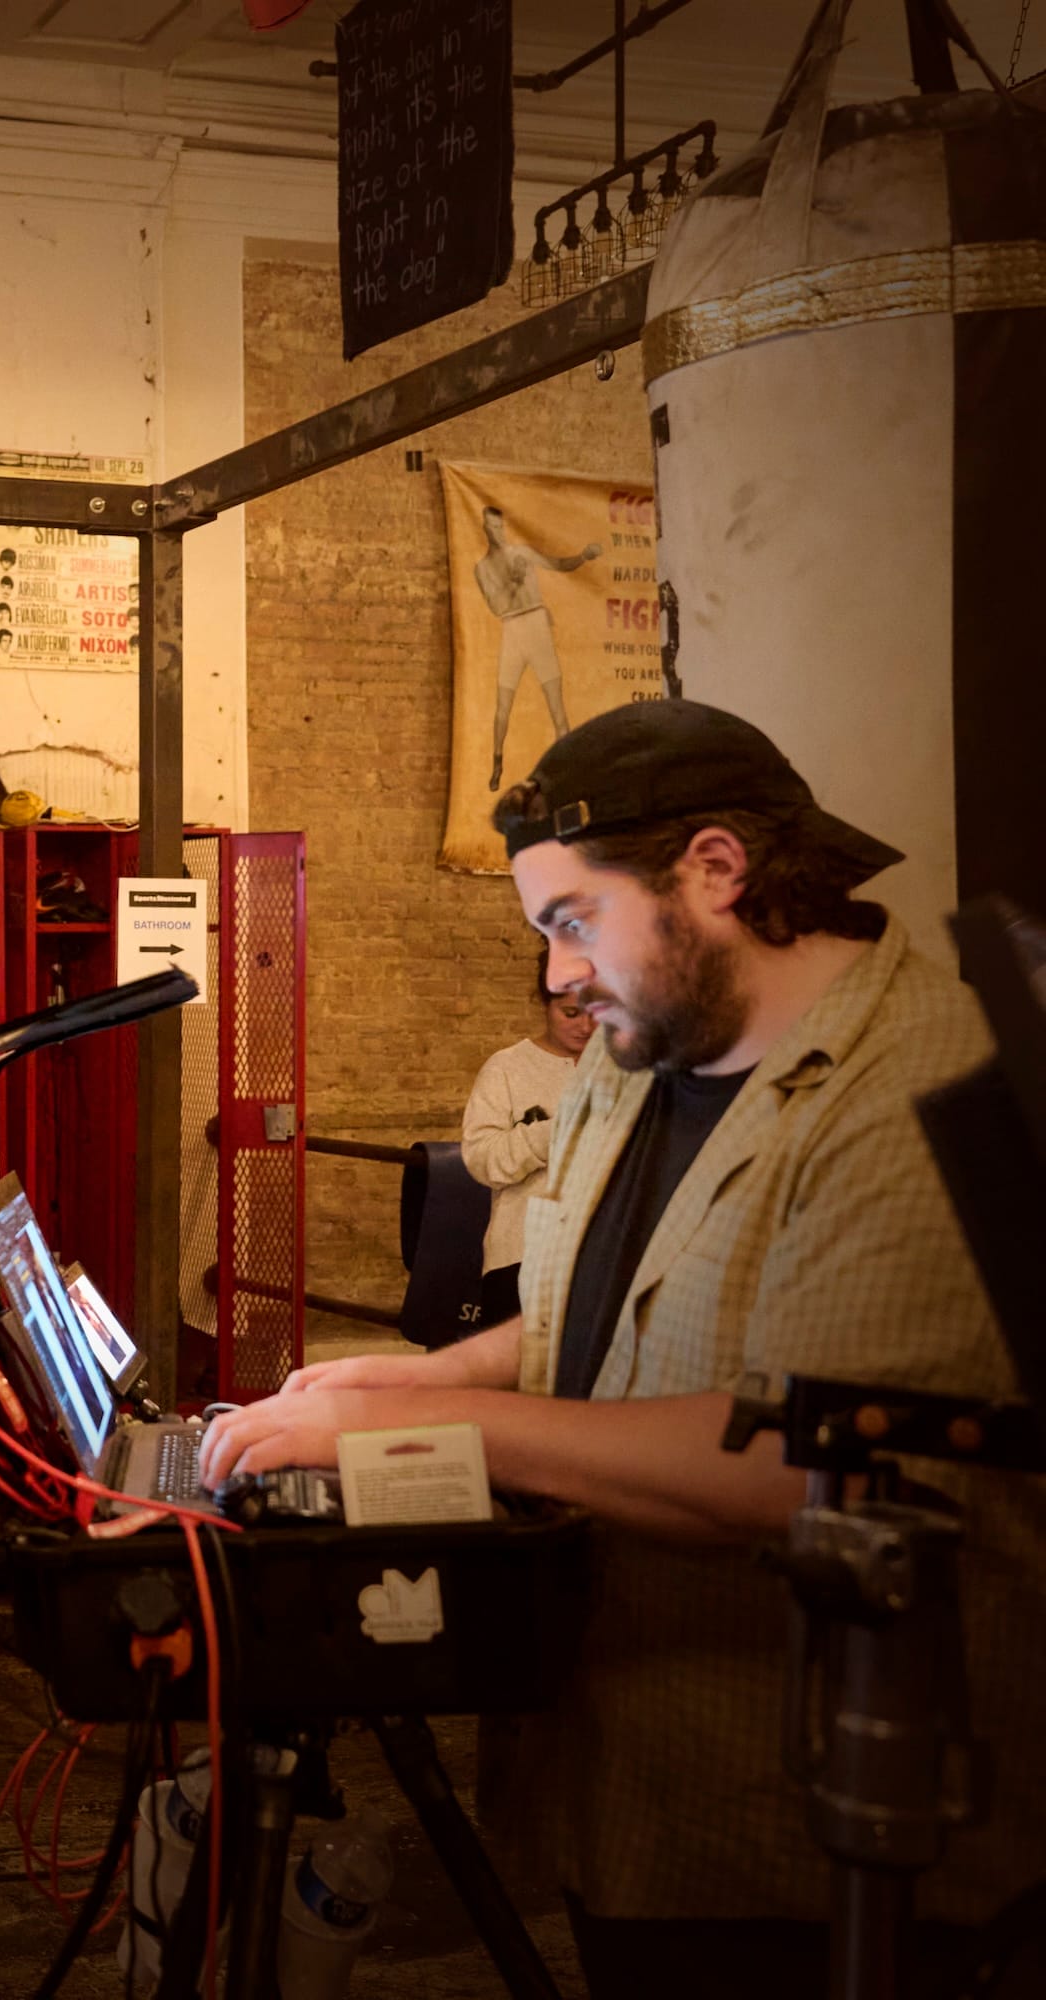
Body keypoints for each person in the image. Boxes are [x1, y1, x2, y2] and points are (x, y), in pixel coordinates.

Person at [201, 702, 1042, 1993]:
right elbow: (602, 1308)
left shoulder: (927, 1084)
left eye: (575, 921)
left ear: (716, 868)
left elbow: (800, 1466)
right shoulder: (639, 1055)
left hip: (826, 1833)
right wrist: (430, 1373)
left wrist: (416, 1425)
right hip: (629, 1778)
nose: (559, 976)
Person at [458, 949, 593, 1331]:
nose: (585, 1026)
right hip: (522, 1255)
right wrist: (550, 1134)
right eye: (570, 1013)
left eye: (595, 1013)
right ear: (544, 1004)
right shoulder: (507, 1068)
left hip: (601, 1256)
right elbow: (481, 1159)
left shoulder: (624, 1069)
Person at [474, 502, 601, 790]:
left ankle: (566, 768)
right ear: (485, 529)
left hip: (536, 624)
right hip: (512, 628)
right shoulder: (482, 568)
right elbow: (496, 607)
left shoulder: (522, 553)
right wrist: (514, 582)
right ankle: (497, 763)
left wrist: (583, 556)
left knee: (556, 703)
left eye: (500, 527)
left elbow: (557, 565)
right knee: (503, 706)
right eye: (492, 527)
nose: (498, 532)